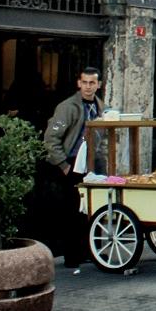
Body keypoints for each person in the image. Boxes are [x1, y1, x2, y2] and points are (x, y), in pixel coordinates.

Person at [39, 66, 106, 271]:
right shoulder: (67, 107)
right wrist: (64, 165)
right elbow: (51, 139)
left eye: (92, 83)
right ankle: (71, 256)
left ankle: (89, 251)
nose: (88, 87)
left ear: (99, 85)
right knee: (71, 211)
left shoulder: (100, 106)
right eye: (84, 82)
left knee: (90, 209)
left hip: (91, 166)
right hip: (71, 164)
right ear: (79, 83)